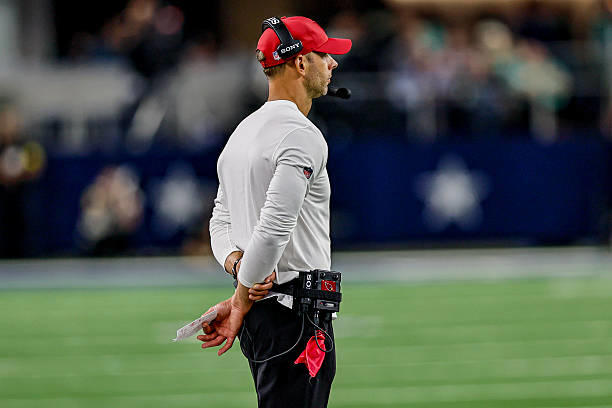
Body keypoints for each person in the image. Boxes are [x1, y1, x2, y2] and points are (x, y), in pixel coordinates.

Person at [197, 16, 351, 408]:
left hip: (267, 318)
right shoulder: (300, 135)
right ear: (300, 63)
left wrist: (236, 269)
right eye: (324, 55)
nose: (332, 64)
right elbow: (273, 228)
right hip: (294, 315)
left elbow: (220, 220)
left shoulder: (242, 131)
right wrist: (241, 298)